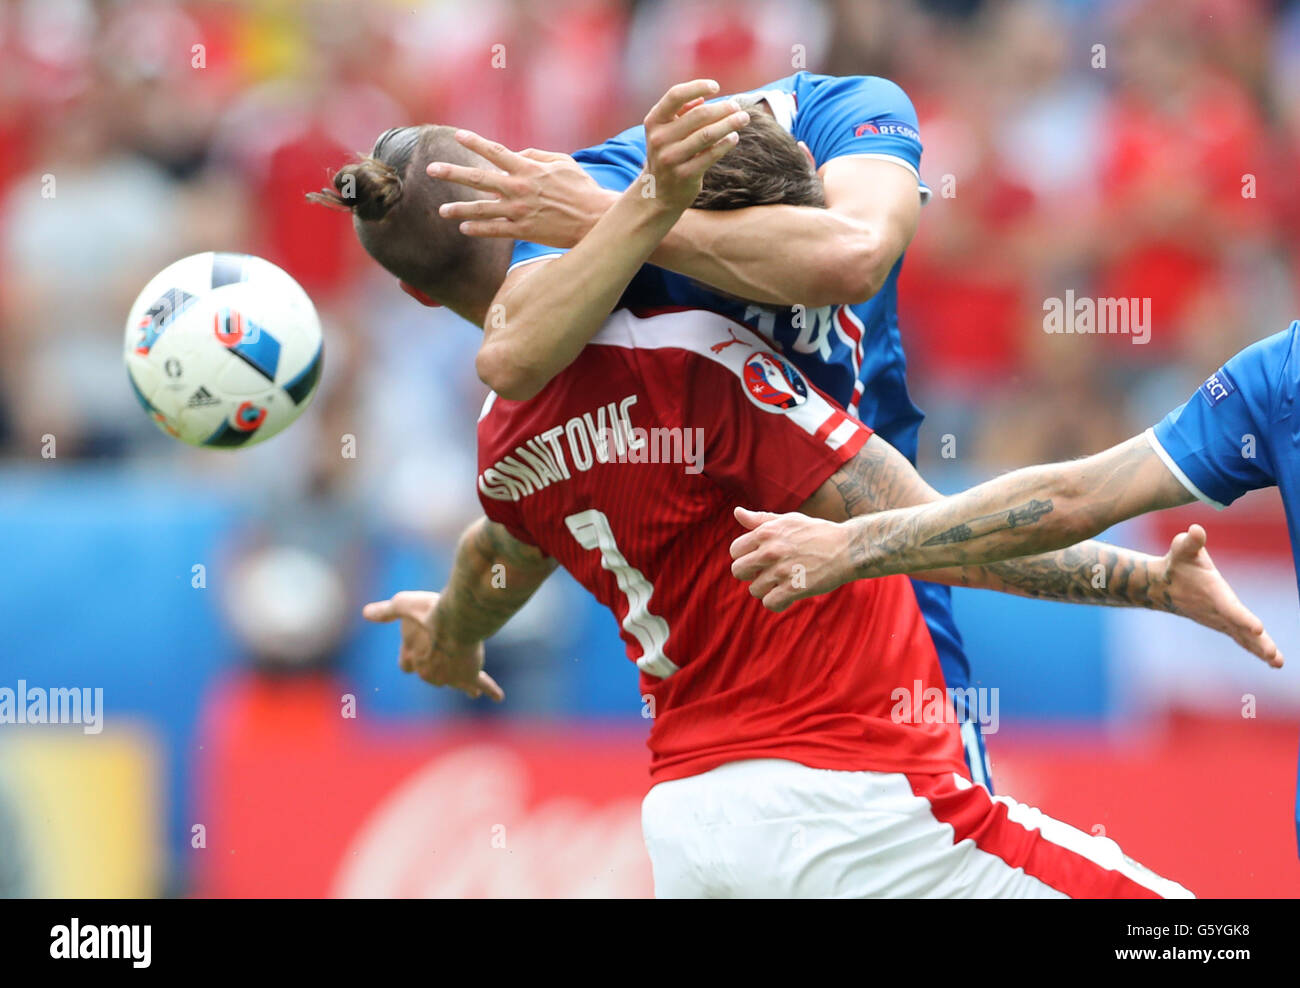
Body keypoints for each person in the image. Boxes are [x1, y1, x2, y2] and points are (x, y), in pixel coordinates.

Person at [311, 86, 1266, 895]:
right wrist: (1141, 584)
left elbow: (495, 557)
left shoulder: (498, 447)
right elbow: (931, 528)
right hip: (852, 800)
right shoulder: (693, 361)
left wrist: (453, 629)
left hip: (688, 828)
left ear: (418, 298)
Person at [427, 71, 995, 783]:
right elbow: (511, 362)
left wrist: (634, 221)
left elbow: (850, 258)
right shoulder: (608, 174)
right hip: (729, 641)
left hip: (879, 559)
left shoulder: (846, 113)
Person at [728, 324, 1299, 844]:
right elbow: (1075, 497)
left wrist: (851, 545)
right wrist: (853, 546)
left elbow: (865, 244)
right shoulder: (1277, 378)